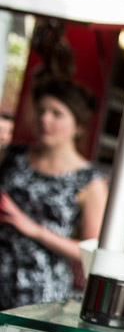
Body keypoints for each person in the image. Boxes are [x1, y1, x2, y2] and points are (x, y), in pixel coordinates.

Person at [0, 78, 107, 311]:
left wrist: (33, 229)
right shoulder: (11, 156)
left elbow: (91, 251)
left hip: (39, 293)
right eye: (41, 111)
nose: (45, 119)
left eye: (57, 114)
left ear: (78, 126)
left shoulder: (89, 181)